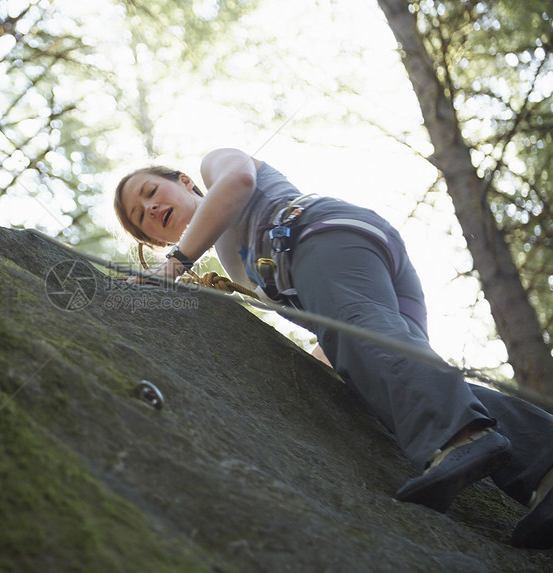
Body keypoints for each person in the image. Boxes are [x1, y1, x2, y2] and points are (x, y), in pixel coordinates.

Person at [114, 147, 553, 549]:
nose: (151, 208)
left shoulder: (218, 165)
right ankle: (544, 468)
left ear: (185, 181)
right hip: (370, 278)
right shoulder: (235, 266)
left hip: (321, 234)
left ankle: (461, 436)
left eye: (152, 192)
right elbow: (336, 334)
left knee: (369, 341)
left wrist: (176, 264)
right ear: (156, 240)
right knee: (383, 376)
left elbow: (239, 184)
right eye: (142, 217)